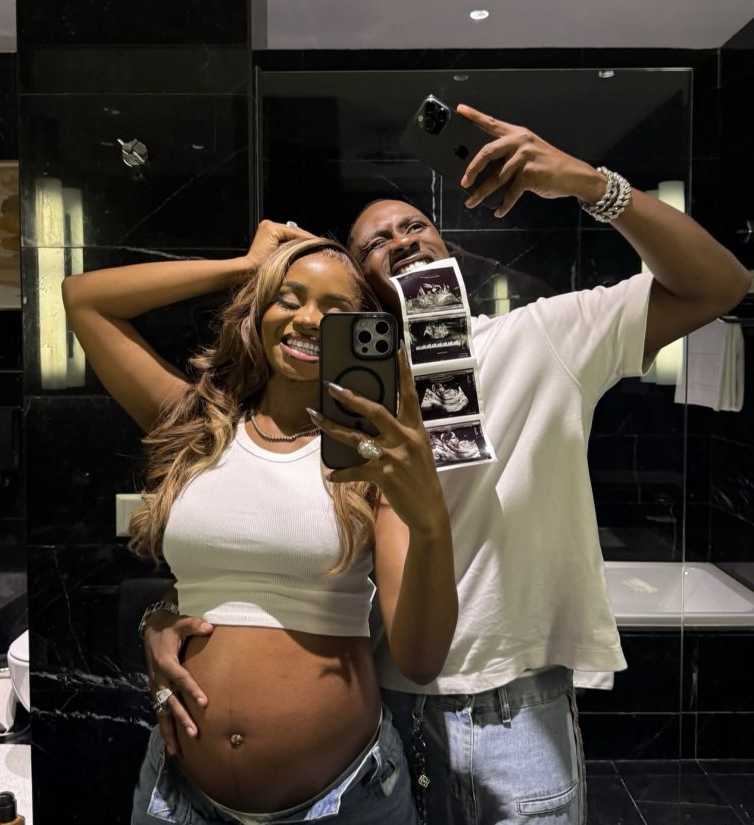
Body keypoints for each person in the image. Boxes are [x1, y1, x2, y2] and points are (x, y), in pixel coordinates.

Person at [142, 104, 752, 825]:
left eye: (415, 226)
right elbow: (260, 531)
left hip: (514, 702)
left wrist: (590, 185)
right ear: (361, 291)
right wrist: (167, 613)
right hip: (381, 706)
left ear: (446, 246)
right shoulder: (332, 398)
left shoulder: (542, 337)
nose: (401, 239)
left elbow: (720, 285)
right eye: (376, 242)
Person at [61, 228, 458, 824]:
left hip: (344, 802)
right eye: (287, 298)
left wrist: (429, 523)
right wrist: (243, 265)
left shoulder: (373, 458)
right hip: (180, 799)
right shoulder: (197, 425)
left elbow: (420, 659)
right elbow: (84, 299)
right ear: (258, 310)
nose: (307, 320)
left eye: (335, 311)